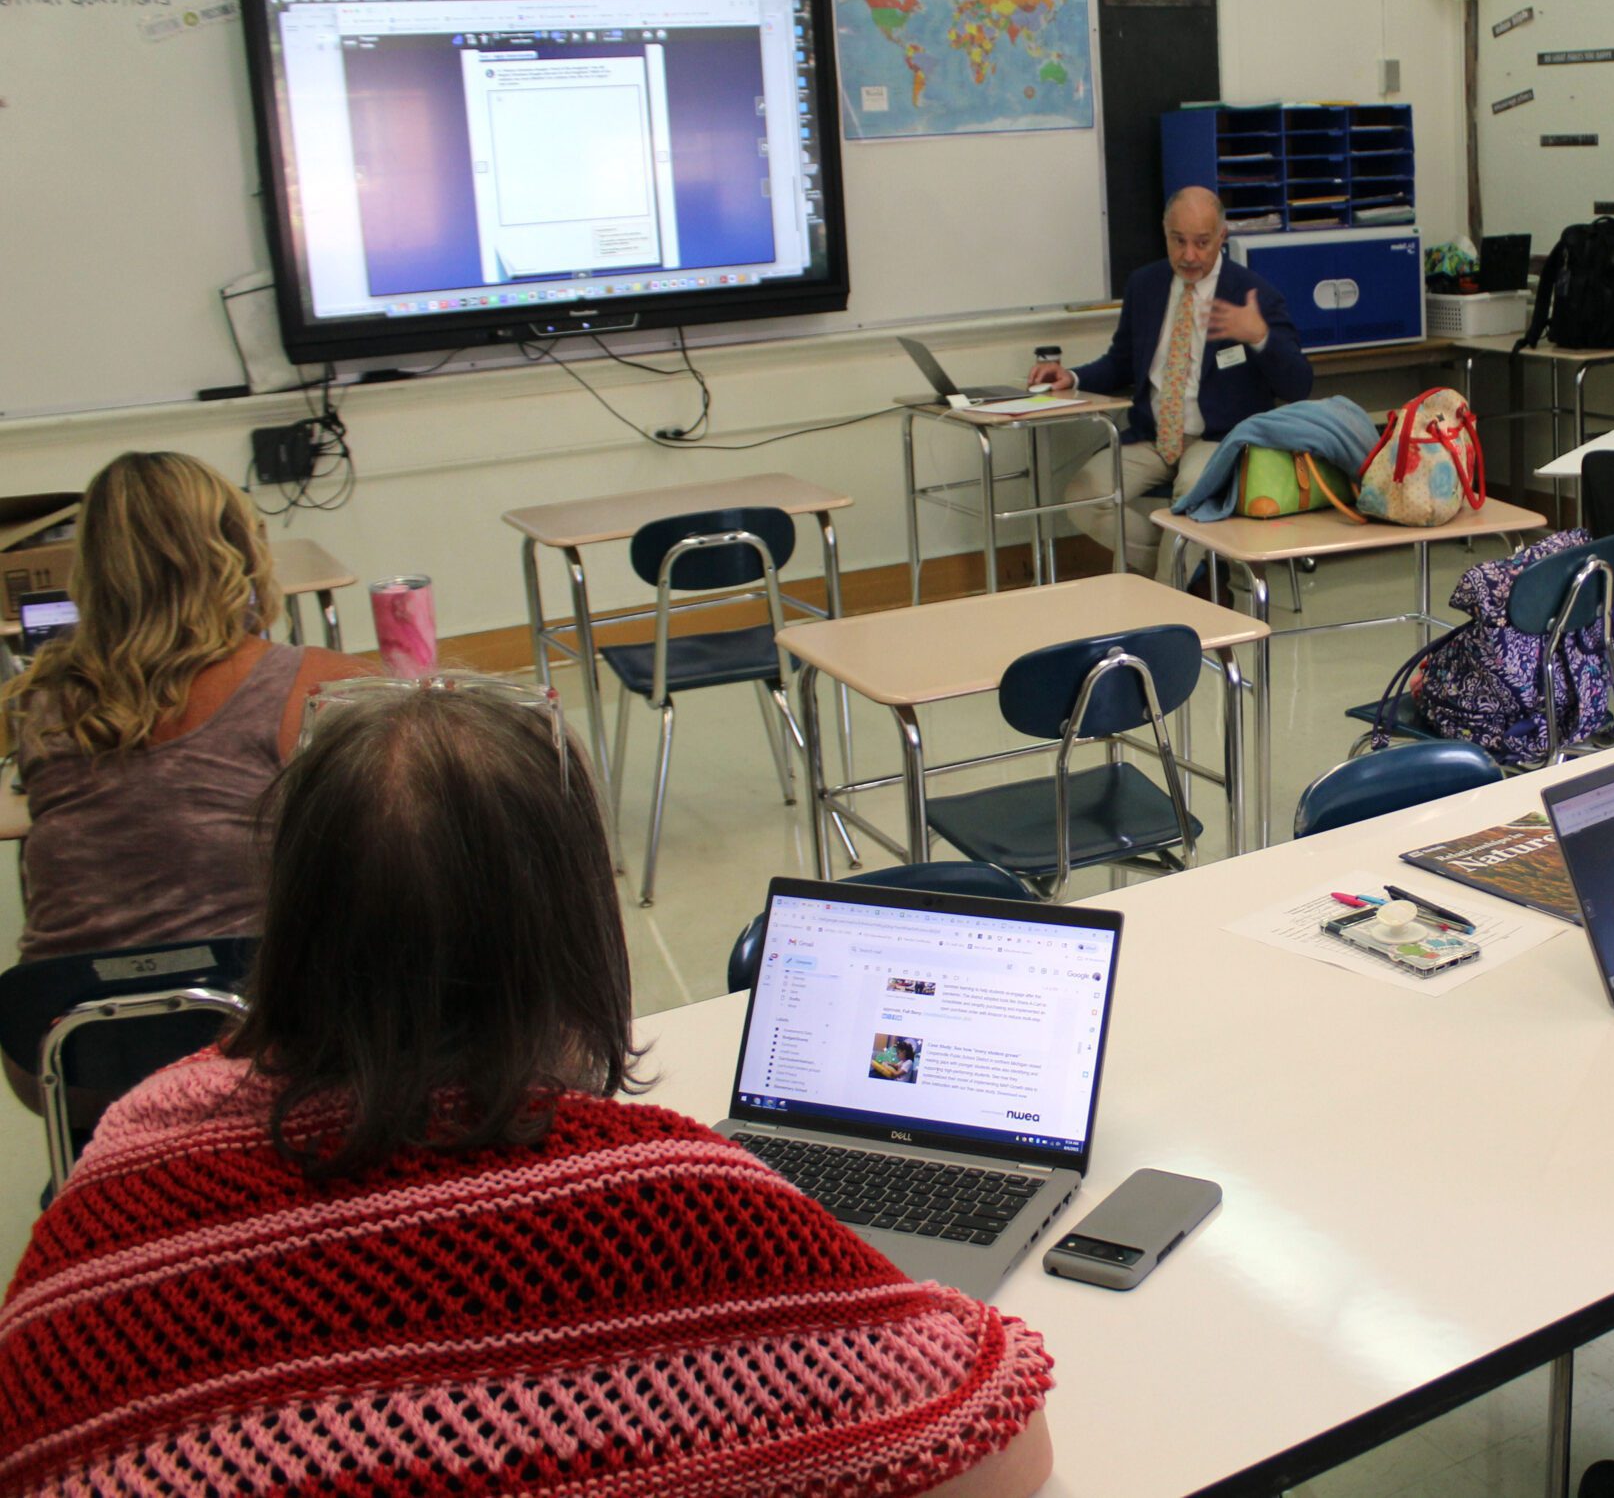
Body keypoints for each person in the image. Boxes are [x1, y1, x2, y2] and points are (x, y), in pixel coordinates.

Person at [0, 683, 1055, 1497]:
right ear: (574, 930)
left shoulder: (135, 1136)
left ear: (290, 912)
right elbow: (998, 1443)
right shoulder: (668, 1198)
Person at [0, 450, 370, 963]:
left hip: (63, 1019)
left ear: (90, 567)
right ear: (243, 550)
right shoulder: (317, 684)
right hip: (244, 1013)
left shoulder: (40, 701)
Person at [1035, 186, 1311, 579]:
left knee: (1191, 494)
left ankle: (1171, 599)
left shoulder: (1254, 295)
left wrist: (1260, 338)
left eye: (1201, 243)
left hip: (1219, 439)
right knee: (1083, 496)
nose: (1189, 256)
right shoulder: (1145, 286)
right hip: (1154, 437)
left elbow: (1299, 385)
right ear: (1164, 234)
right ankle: (1186, 571)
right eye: (1178, 241)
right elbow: (1121, 363)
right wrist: (1072, 376)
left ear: (1221, 237)